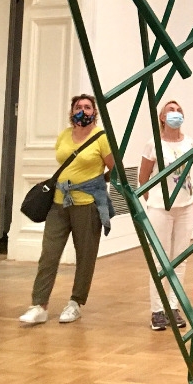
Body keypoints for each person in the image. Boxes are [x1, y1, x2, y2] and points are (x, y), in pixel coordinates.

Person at [20, 93, 114, 325]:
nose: (83, 111)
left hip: (87, 205)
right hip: (59, 202)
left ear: (94, 112)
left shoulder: (102, 138)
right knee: (49, 254)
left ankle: (75, 303)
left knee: (85, 256)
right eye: (78, 107)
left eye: (87, 107)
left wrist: (95, 184)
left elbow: (115, 169)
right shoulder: (64, 135)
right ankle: (39, 305)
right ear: (72, 112)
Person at [138, 99, 193, 331]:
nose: (175, 112)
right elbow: (143, 179)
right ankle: (157, 310)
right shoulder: (153, 144)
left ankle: (173, 306)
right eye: (170, 110)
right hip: (160, 209)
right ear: (162, 117)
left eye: (179, 110)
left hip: (186, 207)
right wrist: (155, 201)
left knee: (180, 259)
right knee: (159, 260)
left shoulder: (190, 142)